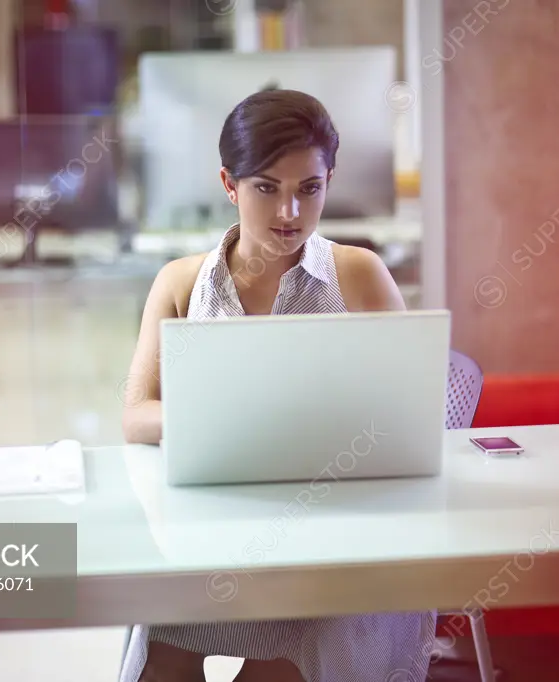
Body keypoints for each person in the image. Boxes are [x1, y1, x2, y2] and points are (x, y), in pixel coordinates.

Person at [119, 89, 435, 681]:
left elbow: (417, 409)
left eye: (308, 189)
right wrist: (225, 420)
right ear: (229, 184)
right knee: (163, 649)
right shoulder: (182, 285)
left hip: (339, 543)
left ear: (329, 182)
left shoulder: (358, 275)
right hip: (214, 532)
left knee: (281, 668)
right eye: (266, 187)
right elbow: (137, 415)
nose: (289, 212)